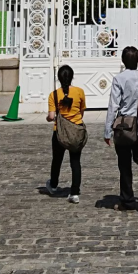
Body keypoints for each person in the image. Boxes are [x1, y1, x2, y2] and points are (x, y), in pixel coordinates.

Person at [104, 46, 138, 218]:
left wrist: (107, 130)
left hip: (124, 128)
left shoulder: (119, 79)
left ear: (123, 60)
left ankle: (127, 200)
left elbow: (113, 106)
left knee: (125, 165)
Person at [45, 65, 86, 203]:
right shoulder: (80, 92)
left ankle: (54, 184)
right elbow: (81, 111)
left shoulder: (54, 95)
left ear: (59, 78)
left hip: (59, 132)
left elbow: (51, 116)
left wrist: (49, 118)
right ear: (72, 77)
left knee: (57, 160)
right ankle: (74, 192)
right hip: (76, 130)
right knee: (75, 162)